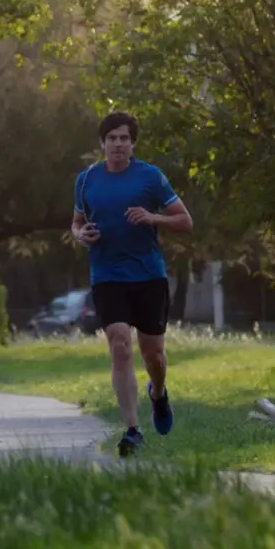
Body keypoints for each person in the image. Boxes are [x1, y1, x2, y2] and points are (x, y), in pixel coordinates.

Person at [71, 112, 194, 457]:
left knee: (153, 353)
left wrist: (152, 217)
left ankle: (158, 392)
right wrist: (82, 235)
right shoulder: (85, 180)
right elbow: (76, 222)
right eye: (112, 138)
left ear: (133, 144)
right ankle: (132, 429)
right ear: (102, 143)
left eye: (124, 138)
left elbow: (185, 220)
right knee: (120, 345)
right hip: (107, 276)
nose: (118, 144)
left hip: (149, 276)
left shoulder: (151, 177)